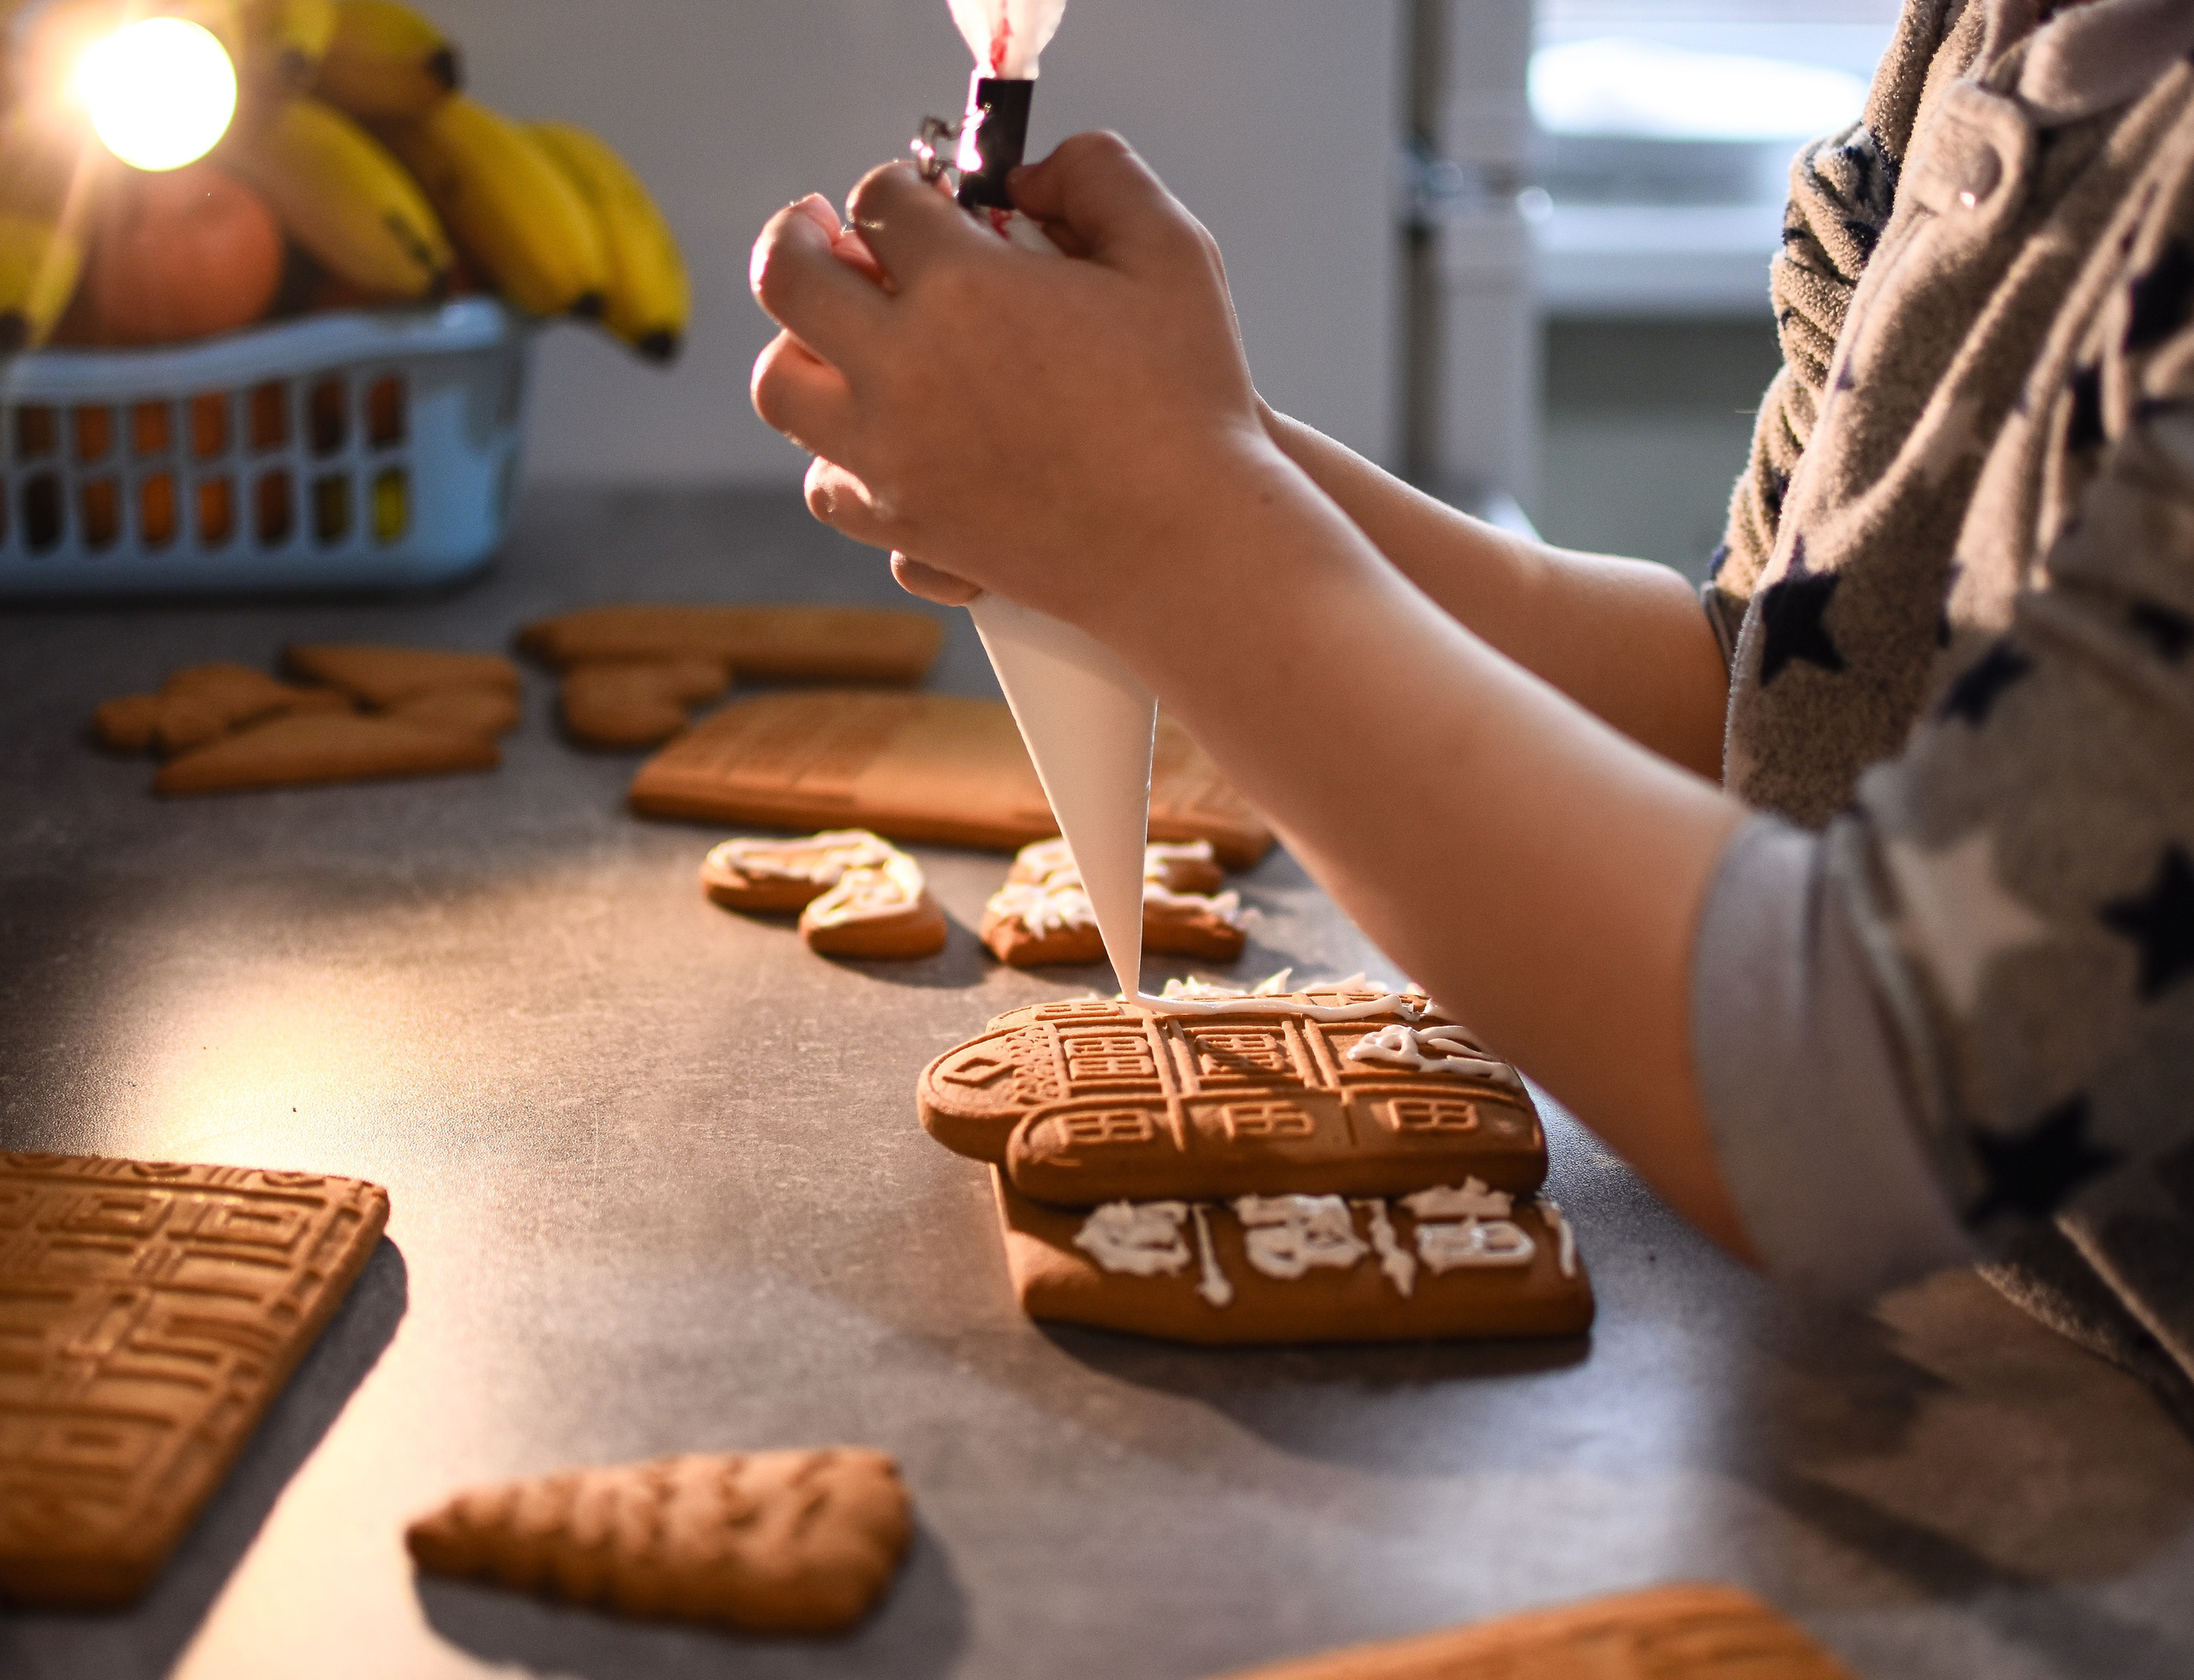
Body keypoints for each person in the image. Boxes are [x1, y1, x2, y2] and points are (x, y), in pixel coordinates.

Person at [748, 0, 2194, 1425]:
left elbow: (1869, 1095)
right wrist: (1161, 448)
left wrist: (1161, 517)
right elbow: (1759, 707)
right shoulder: (1971, 38)